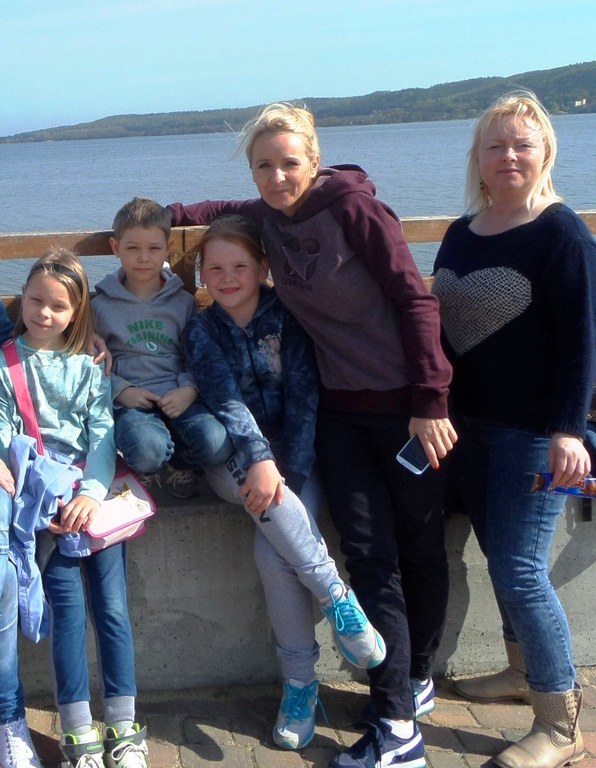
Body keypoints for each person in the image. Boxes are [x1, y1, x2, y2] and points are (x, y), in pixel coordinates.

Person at [168, 102, 457, 768]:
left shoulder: (355, 210)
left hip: (405, 406)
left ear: (315, 161)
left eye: (289, 163)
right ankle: (395, 717)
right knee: (369, 554)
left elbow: (415, 299)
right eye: (263, 165)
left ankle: (415, 675)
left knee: (420, 542)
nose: (277, 176)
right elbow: (228, 209)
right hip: (339, 412)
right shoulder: (266, 216)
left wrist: (430, 398)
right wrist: (167, 215)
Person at [431, 91, 596, 768]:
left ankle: (560, 725)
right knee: (498, 554)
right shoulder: (461, 231)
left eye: (523, 144)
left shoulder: (564, 236)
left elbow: (582, 342)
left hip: (533, 433)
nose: (508, 156)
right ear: (477, 157)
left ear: (546, 153)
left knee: (521, 568)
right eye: (495, 145)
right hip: (469, 428)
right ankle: (519, 671)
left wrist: (569, 431)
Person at [186, 213, 387, 750]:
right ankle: (335, 595)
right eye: (215, 269)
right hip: (233, 462)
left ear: (262, 267)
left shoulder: (289, 316)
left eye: (239, 266)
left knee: (273, 555)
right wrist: (259, 460)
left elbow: (304, 395)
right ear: (202, 274)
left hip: (296, 460)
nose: (227, 278)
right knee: (274, 517)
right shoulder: (202, 329)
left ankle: (300, 683)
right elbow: (225, 399)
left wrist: (286, 472)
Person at [0, 248, 149, 768]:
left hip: (93, 502)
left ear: (77, 311)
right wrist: (41, 492)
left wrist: (90, 491)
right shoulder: (7, 364)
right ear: (22, 299)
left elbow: (102, 432)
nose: (43, 313)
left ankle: (125, 726)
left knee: (112, 609)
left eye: (58, 306)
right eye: (35, 301)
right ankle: (78, 732)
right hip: (46, 508)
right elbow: (5, 431)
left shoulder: (88, 366)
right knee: (66, 612)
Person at [92, 197, 233, 499]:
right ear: (116, 247)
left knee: (216, 443)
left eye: (154, 248)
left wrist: (189, 390)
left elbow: (198, 355)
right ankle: (150, 463)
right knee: (146, 449)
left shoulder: (183, 302)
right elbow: (91, 362)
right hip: (131, 402)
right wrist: (121, 391)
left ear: (168, 248)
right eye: (133, 248)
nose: (144, 258)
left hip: (179, 394)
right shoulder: (101, 306)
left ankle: (178, 463)